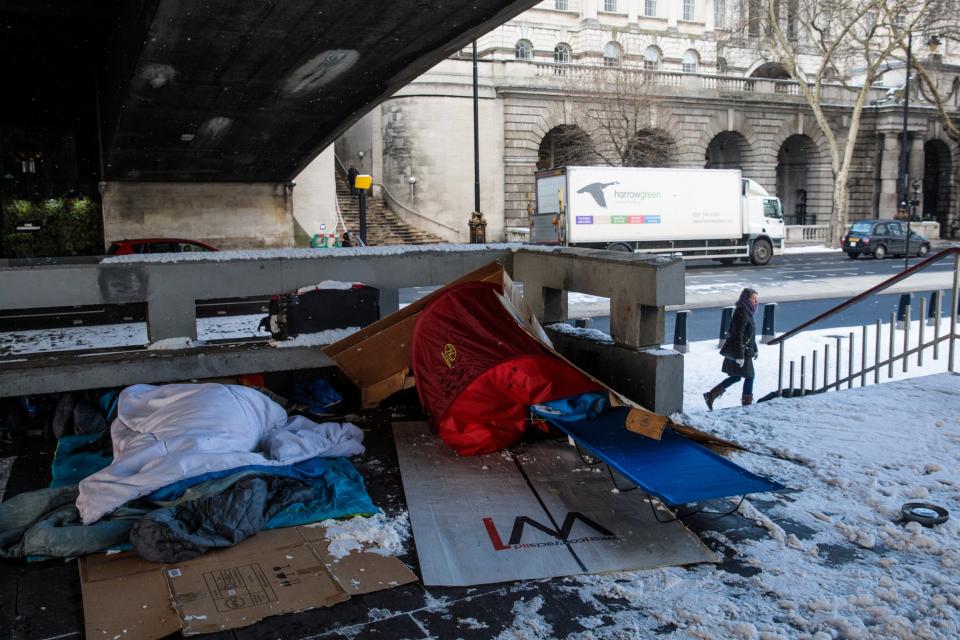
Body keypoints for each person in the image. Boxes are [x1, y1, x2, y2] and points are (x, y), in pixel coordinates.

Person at [704, 288, 759, 409]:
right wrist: (740, 356)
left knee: (736, 376)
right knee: (750, 376)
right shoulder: (741, 313)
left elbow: (750, 334)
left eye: (756, 299)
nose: (755, 301)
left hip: (745, 351)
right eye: (753, 298)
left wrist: (755, 349)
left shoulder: (747, 312)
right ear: (746, 299)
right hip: (741, 352)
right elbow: (737, 335)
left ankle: (711, 395)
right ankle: (747, 404)